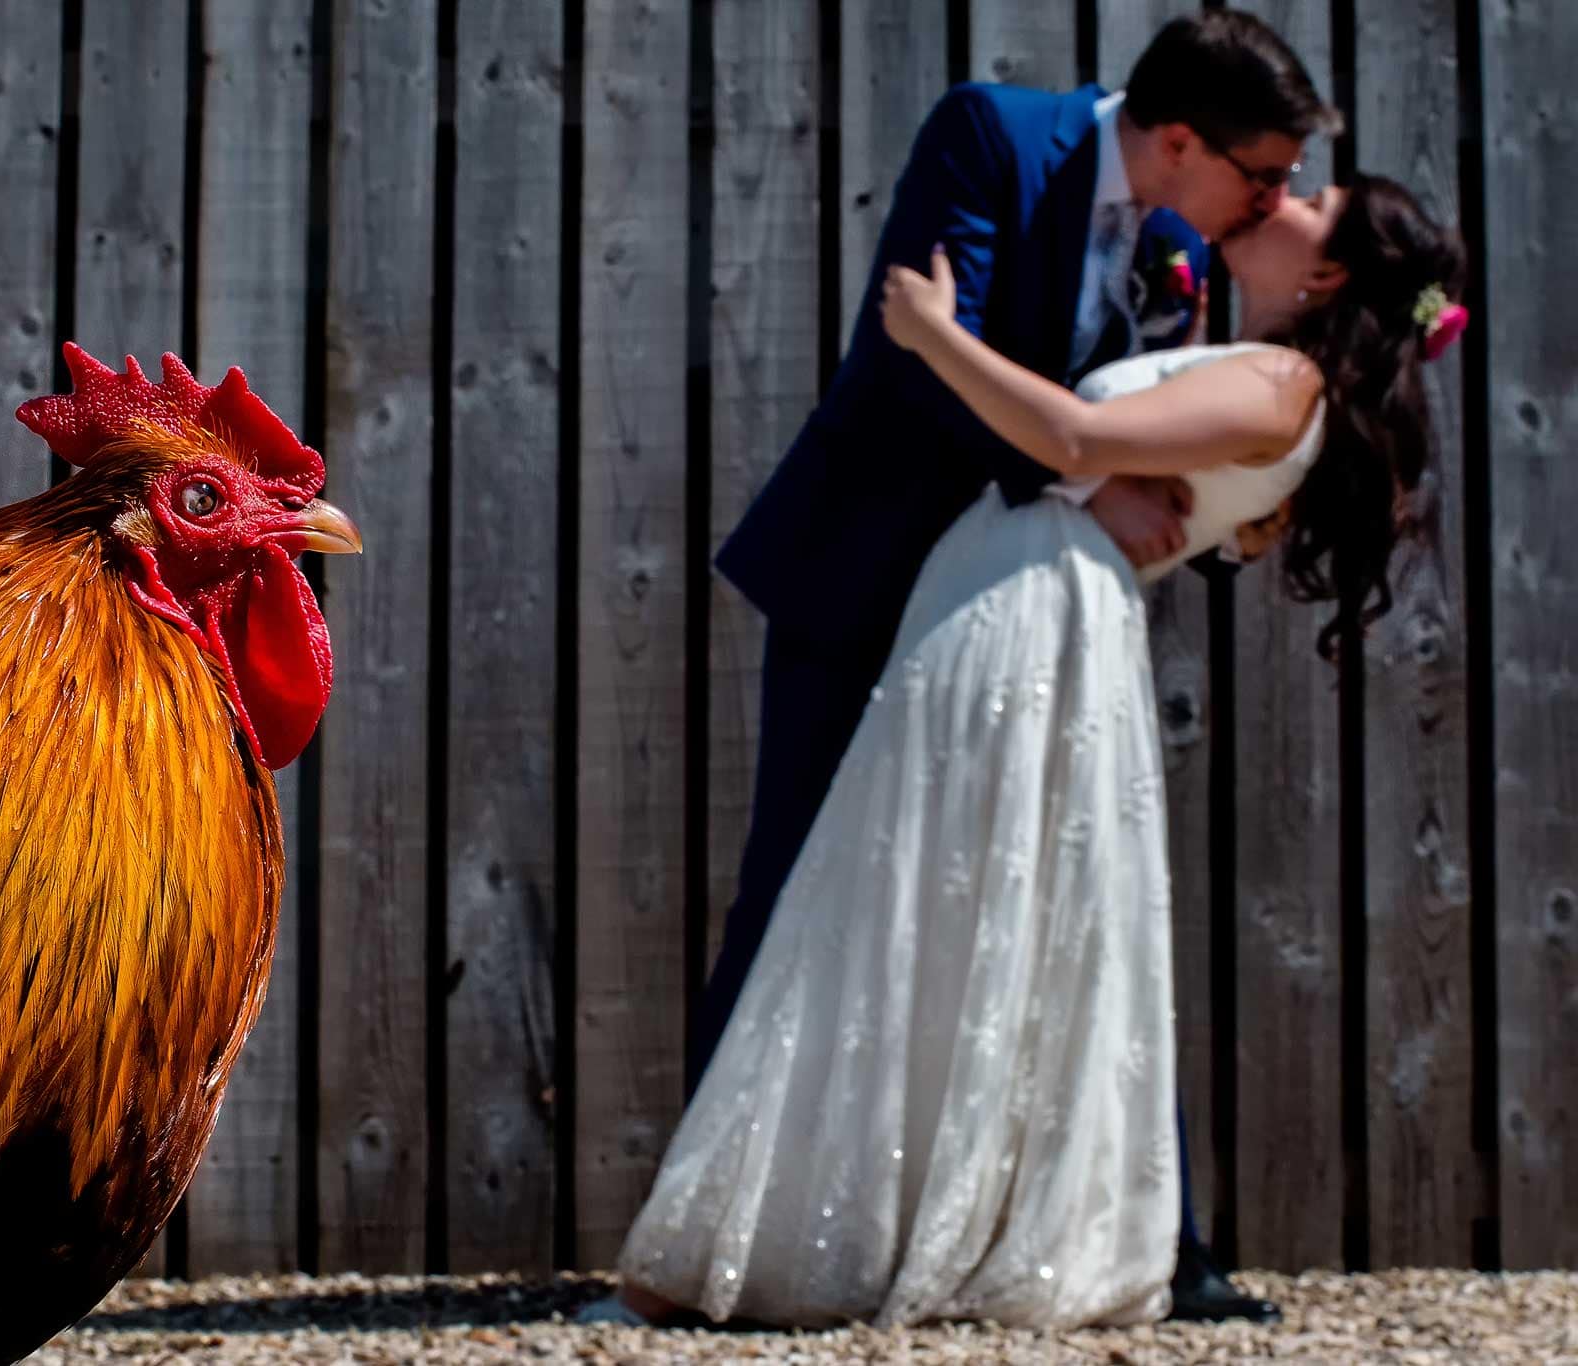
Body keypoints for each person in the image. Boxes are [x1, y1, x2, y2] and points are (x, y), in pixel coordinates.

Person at [586, 173, 1465, 1330]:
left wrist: (930, 334)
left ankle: (836, 1237)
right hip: (1030, 594)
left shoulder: (1279, 381)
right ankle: (854, 1225)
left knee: (903, 891)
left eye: (1315, 197)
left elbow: (1072, 433)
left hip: (1031, 608)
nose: (1287, 188)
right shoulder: (1254, 363)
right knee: (934, 900)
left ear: (1328, 271)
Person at [691, 11, 1339, 1323]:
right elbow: (922, 357)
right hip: (871, 576)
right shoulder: (990, 136)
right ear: (1178, 140)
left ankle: (1162, 1249)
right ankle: (709, 1243)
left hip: (1026, 616)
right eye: (1260, 176)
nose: (1273, 202)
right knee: (791, 884)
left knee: (1080, 905)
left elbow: (1171, 410)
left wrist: (1223, 513)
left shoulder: (1183, 239)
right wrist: (1086, 482)